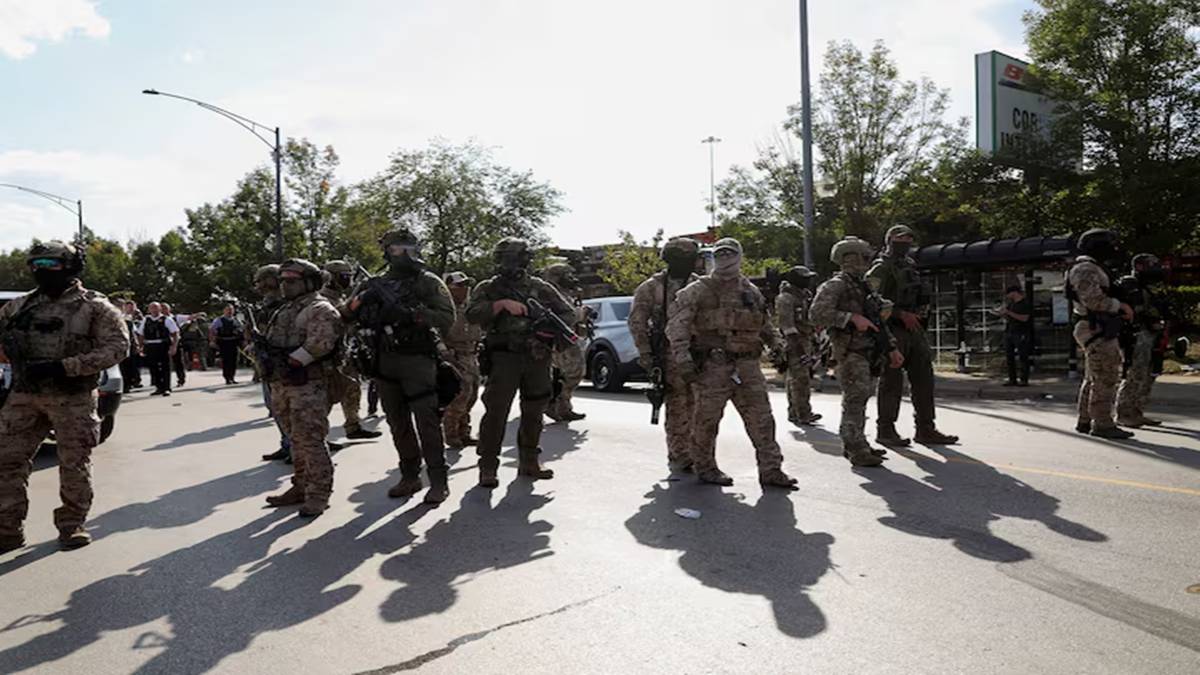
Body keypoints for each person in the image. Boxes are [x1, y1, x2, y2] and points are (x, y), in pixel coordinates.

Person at [0, 241, 130, 552]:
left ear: (71, 266)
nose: (42, 271)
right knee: (6, 461)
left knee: (74, 463)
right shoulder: (19, 307)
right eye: (37, 265)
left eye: (51, 264)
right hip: (25, 395)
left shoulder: (94, 307)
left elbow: (117, 348)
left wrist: (65, 367)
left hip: (73, 397)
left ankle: (72, 525)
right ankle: (7, 529)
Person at [665, 237, 798, 489]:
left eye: (730, 253)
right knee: (706, 421)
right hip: (714, 367)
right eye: (720, 254)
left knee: (762, 420)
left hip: (748, 367)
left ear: (739, 256)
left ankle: (771, 470)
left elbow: (765, 324)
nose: (725, 258)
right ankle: (705, 467)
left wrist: (778, 348)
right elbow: (676, 328)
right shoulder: (698, 290)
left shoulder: (750, 291)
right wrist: (683, 360)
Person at [345, 230, 455, 504]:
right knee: (397, 422)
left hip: (418, 359)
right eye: (397, 248)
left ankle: (439, 481)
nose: (403, 254)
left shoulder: (428, 282)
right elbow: (345, 315)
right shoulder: (374, 283)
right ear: (387, 251)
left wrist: (415, 314)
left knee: (427, 422)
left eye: (408, 248)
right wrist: (361, 302)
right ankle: (409, 476)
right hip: (383, 361)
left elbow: (446, 318)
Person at [467, 237, 575, 487]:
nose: (510, 264)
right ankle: (488, 466)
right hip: (504, 356)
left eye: (515, 258)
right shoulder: (488, 288)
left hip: (537, 357)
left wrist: (548, 331)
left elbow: (566, 313)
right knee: (496, 412)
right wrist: (500, 305)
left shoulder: (540, 287)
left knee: (535, 410)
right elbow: (472, 314)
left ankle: (529, 461)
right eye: (506, 258)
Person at [811, 237, 905, 467]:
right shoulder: (836, 285)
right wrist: (850, 318)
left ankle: (859, 442)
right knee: (855, 401)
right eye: (863, 257)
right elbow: (816, 314)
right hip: (851, 351)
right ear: (850, 258)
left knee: (861, 399)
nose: (866, 261)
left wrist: (892, 348)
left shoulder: (864, 288)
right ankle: (855, 448)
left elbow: (878, 323)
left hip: (870, 351)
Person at [262, 259, 343, 517]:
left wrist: (292, 360)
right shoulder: (285, 309)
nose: (285, 285)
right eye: (283, 280)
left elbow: (321, 343)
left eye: (292, 281)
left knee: (310, 439)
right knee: (294, 439)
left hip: (308, 383)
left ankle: (319, 493)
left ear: (309, 282)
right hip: (283, 383)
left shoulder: (319, 308)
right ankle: (300, 486)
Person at [867, 225, 958, 447]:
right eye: (900, 238)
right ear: (889, 240)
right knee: (891, 381)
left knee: (924, 379)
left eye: (908, 238)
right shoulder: (880, 268)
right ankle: (886, 430)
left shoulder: (909, 266)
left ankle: (926, 428)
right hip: (892, 329)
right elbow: (870, 301)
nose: (905, 242)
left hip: (914, 328)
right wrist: (899, 313)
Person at [627, 237, 702, 471]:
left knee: (702, 407)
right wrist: (647, 355)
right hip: (669, 356)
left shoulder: (699, 284)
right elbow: (637, 323)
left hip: (700, 353)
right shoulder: (652, 287)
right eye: (689, 259)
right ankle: (680, 455)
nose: (693, 263)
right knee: (678, 407)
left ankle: (700, 453)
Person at [1068, 228, 1136, 439]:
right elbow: (1092, 299)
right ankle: (1103, 423)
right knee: (1106, 376)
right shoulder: (1086, 268)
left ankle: (1086, 419)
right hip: (1094, 326)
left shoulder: (1091, 266)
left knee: (1094, 375)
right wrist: (1120, 306)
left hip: (1096, 325)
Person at [321, 260, 381, 440]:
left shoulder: (338, 297)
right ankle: (318, 437)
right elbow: (340, 317)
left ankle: (353, 426)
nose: (347, 280)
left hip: (343, 353)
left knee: (352, 389)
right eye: (343, 277)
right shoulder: (322, 298)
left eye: (349, 276)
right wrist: (357, 298)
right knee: (326, 397)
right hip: (327, 355)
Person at [1116, 254, 1169, 428]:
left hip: (1151, 335)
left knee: (1148, 374)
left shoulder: (1149, 287)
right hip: (1135, 336)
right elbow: (1130, 311)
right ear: (1139, 267)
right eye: (1150, 265)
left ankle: (1137, 412)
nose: (1155, 268)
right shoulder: (1129, 284)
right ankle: (1124, 413)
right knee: (1134, 374)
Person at [253, 264, 294, 462]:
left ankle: (298, 448)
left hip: (285, 364)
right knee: (276, 407)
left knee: (291, 409)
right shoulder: (266, 305)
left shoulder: (287, 304)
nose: (259, 285)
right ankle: (287, 444)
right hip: (268, 364)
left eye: (261, 280)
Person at [776, 265, 822, 427]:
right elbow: (787, 326)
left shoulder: (804, 295)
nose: (808, 282)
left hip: (806, 339)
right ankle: (803, 412)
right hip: (794, 342)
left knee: (796, 378)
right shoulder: (786, 299)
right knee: (800, 378)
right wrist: (800, 351)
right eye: (805, 279)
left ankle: (795, 412)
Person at [541, 263, 588, 422]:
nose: (571, 279)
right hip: (558, 339)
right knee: (573, 371)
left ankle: (563, 406)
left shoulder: (566, 293)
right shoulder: (549, 293)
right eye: (566, 275)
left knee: (568, 373)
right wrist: (581, 313)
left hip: (568, 337)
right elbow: (560, 315)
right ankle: (553, 403)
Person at [442, 271, 482, 448]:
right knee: (459, 397)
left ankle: (464, 432)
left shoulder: (470, 307)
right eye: (459, 285)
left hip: (472, 355)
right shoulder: (444, 309)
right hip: (455, 356)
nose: (464, 289)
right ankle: (451, 434)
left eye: (466, 285)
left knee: (472, 396)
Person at [138, 302, 179, 396]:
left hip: (163, 345)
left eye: (156, 308)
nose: (154, 310)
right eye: (152, 308)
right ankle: (158, 387)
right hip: (150, 345)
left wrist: (174, 347)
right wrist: (140, 347)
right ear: (149, 310)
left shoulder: (167, 319)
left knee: (165, 367)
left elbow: (175, 333)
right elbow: (141, 334)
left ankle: (166, 388)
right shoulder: (146, 320)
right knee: (153, 367)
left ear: (160, 309)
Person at [998, 285, 1033, 386]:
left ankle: (1024, 379)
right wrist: (1003, 314)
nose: (1008, 296)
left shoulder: (1025, 303)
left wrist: (1009, 312)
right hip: (1010, 331)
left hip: (1021, 332)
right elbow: (1010, 317)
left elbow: (1024, 318)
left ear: (1014, 292)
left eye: (1009, 294)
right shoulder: (1011, 304)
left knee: (1023, 356)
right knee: (1009, 356)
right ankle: (1012, 378)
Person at [209, 305, 244, 384]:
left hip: (234, 342)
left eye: (231, 310)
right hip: (224, 342)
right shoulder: (219, 320)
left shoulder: (236, 320)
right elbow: (212, 330)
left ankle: (232, 377)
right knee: (226, 361)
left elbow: (241, 329)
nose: (230, 311)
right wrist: (212, 341)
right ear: (224, 311)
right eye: (228, 310)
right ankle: (227, 378)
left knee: (234, 361)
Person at [120, 300, 144, 390]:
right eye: (129, 307)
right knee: (125, 365)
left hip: (132, 344)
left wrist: (137, 345)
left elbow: (135, 333)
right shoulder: (122, 317)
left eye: (132, 307)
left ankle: (135, 381)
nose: (131, 309)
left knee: (133, 364)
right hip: (123, 344)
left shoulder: (136, 317)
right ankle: (127, 384)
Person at [162, 303, 187, 388]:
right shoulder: (158, 319)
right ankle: (161, 382)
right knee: (163, 363)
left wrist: (197, 315)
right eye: (161, 308)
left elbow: (189, 317)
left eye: (165, 308)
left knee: (178, 362)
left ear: (169, 309)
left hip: (175, 342)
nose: (163, 310)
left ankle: (181, 379)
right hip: (163, 343)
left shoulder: (175, 318)